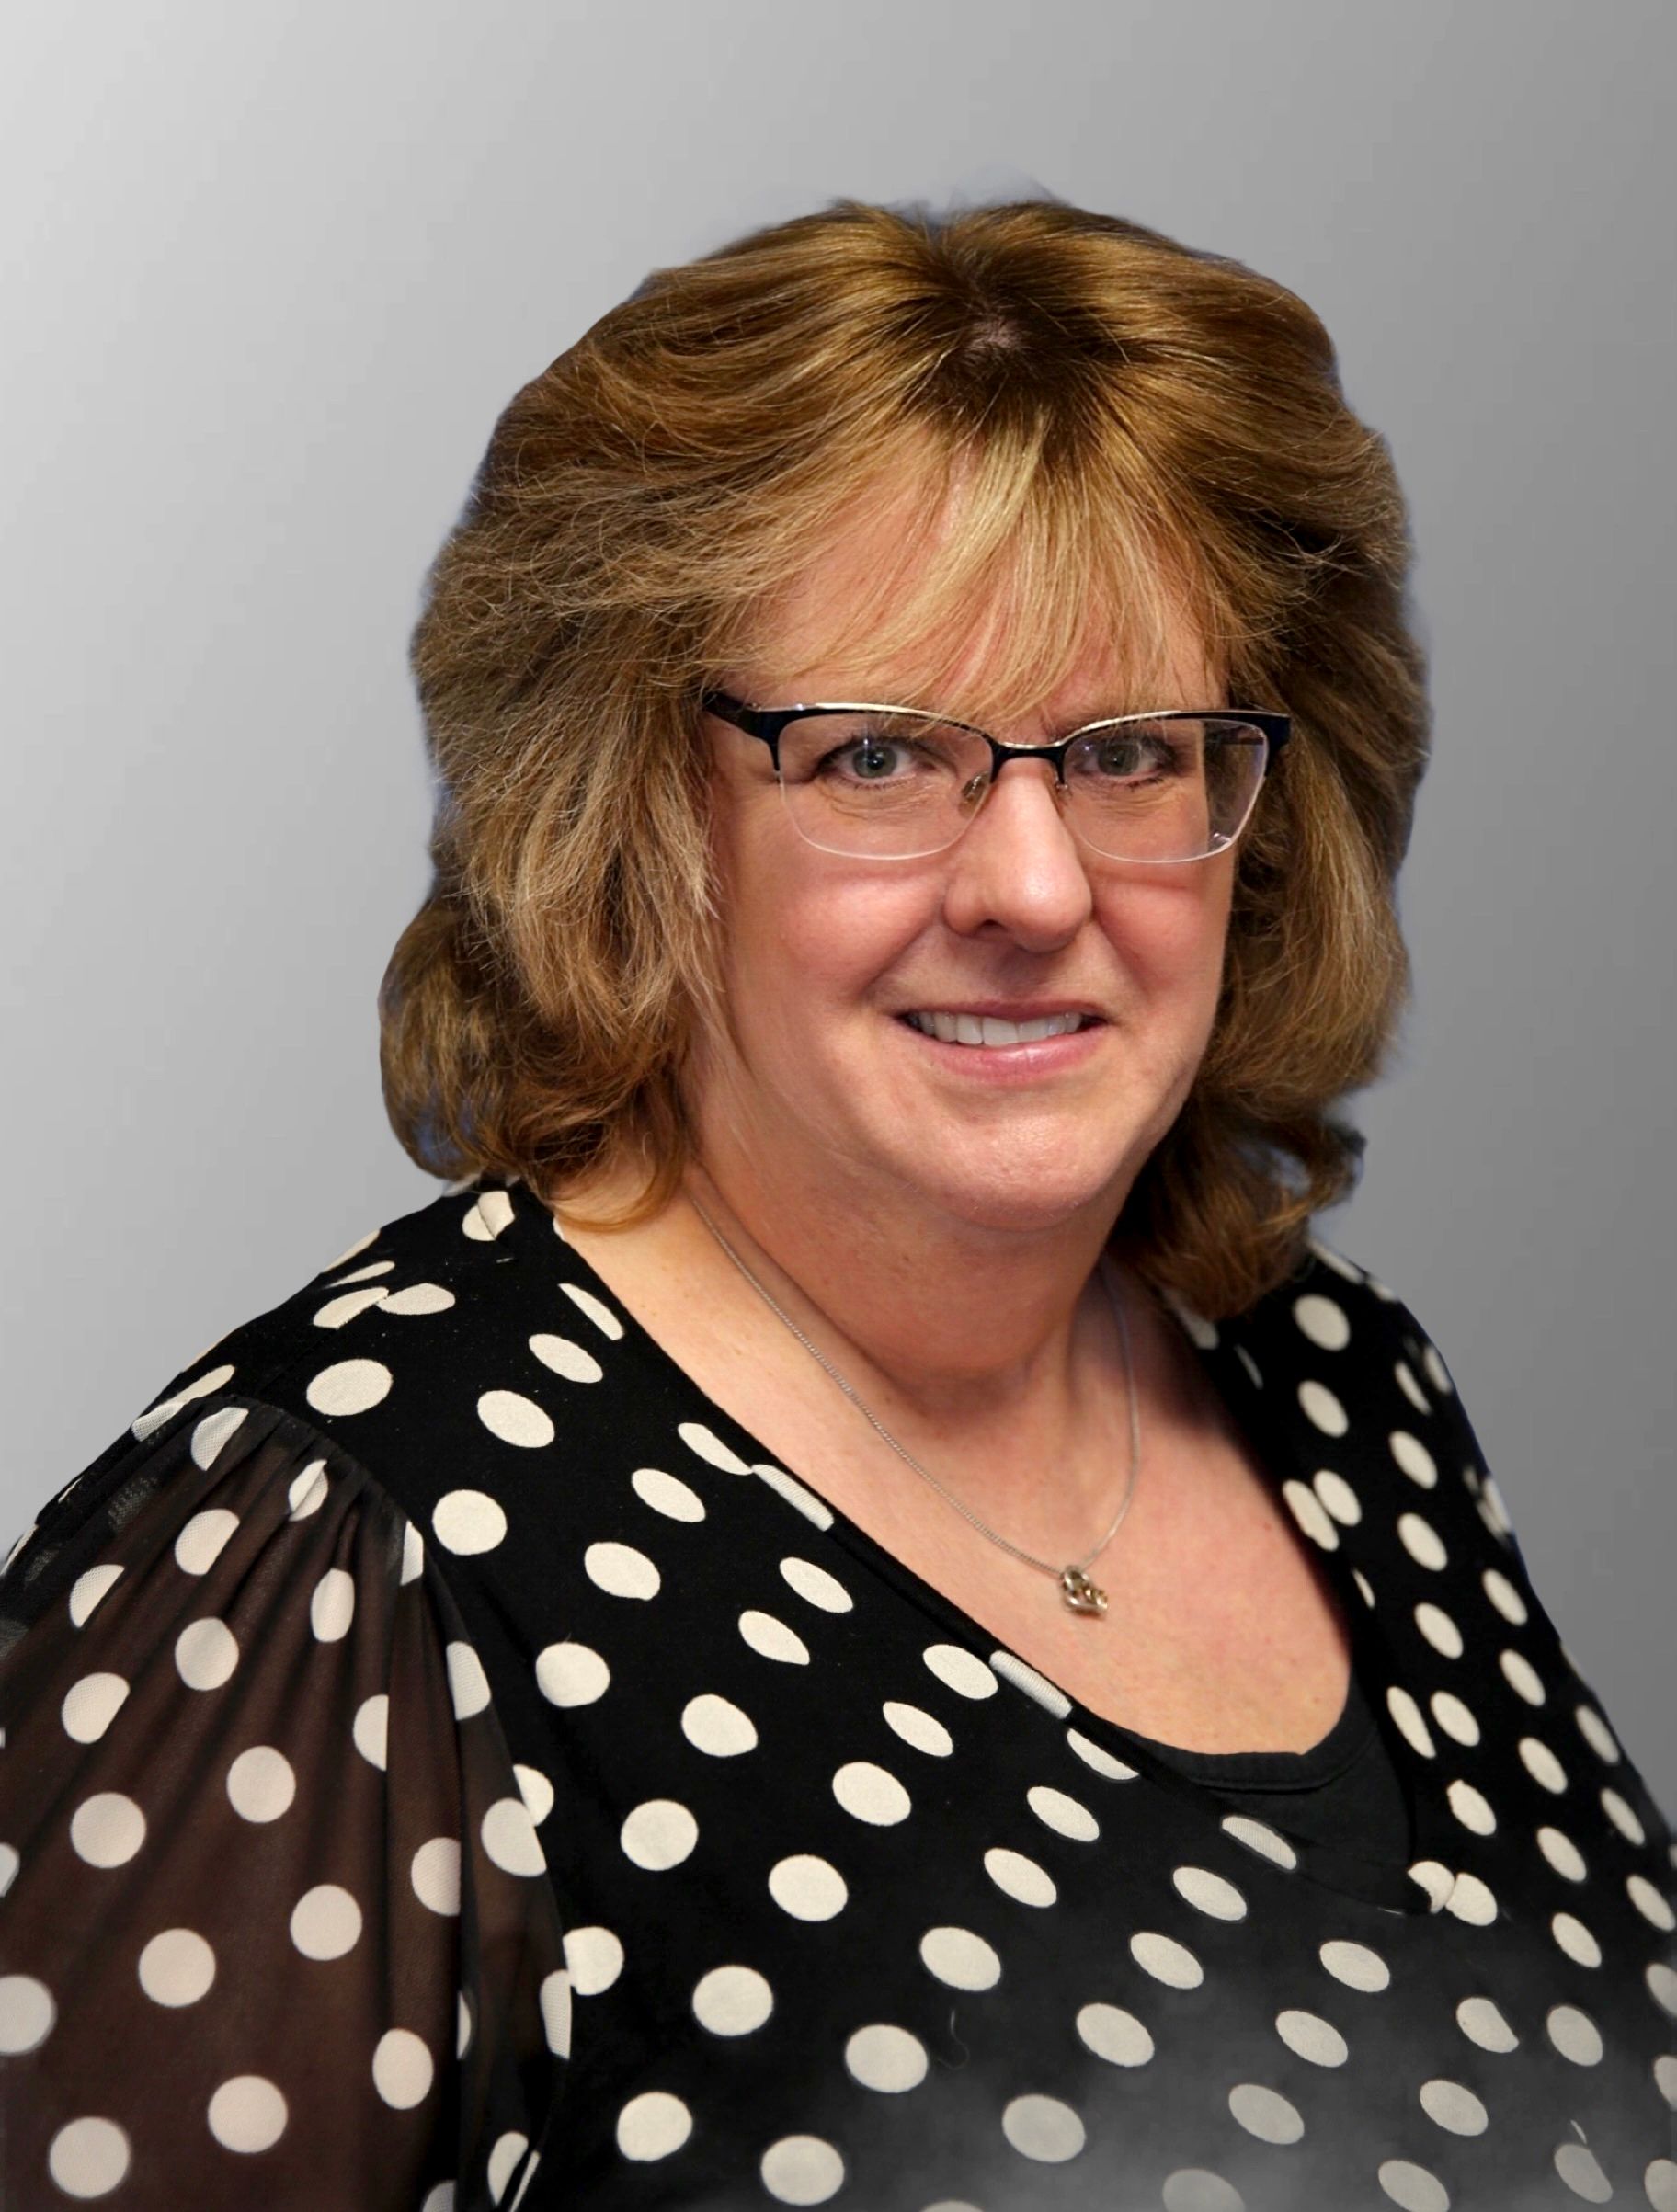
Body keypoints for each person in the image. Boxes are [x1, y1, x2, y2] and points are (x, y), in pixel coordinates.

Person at [1, 196, 1671, 2212]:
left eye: (1135, 752)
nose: (1035, 889)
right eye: (882, 753)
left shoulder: (1347, 1407)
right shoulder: (340, 1561)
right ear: (637, 819)